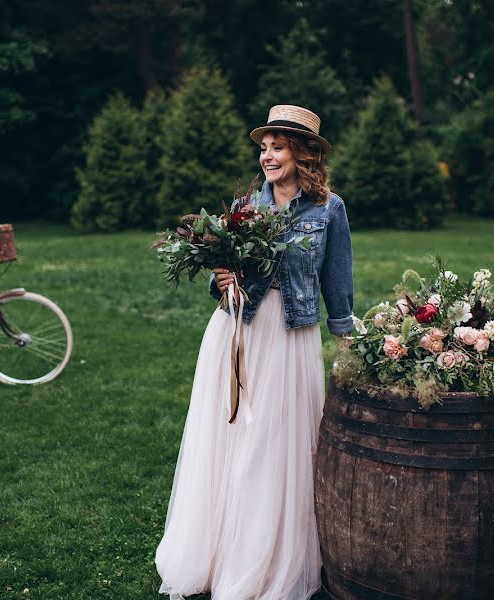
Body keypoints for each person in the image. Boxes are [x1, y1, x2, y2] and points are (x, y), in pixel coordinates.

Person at [155, 105, 354, 599]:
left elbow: (337, 280)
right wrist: (219, 279)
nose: (267, 156)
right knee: (232, 444)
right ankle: (220, 553)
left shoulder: (329, 210)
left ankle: (270, 558)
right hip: (239, 333)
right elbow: (221, 275)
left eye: (278, 147)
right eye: (264, 147)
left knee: (276, 448)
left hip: (292, 340)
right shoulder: (247, 206)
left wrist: (346, 335)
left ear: (303, 153)